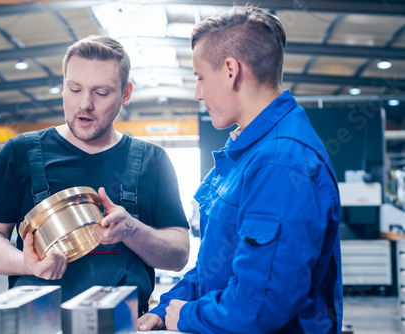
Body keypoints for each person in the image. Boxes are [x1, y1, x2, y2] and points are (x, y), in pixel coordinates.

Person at [138, 5, 342, 333]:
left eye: (201, 78)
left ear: (231, 70)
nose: (198, 93)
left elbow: (259, 306)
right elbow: (216, 263)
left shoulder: (280, 162)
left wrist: (187, 316)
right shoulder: (248, 153)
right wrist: (167, 307)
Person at [0, 35, 190, 315]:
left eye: (101, 93)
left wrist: (131, 230)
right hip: (37, 324)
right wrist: (25, 262)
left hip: (122, 325)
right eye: (74, 89)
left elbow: (179, 255)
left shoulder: (153, 160)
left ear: (125, 93)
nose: (84, 104)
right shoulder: (19, 153)